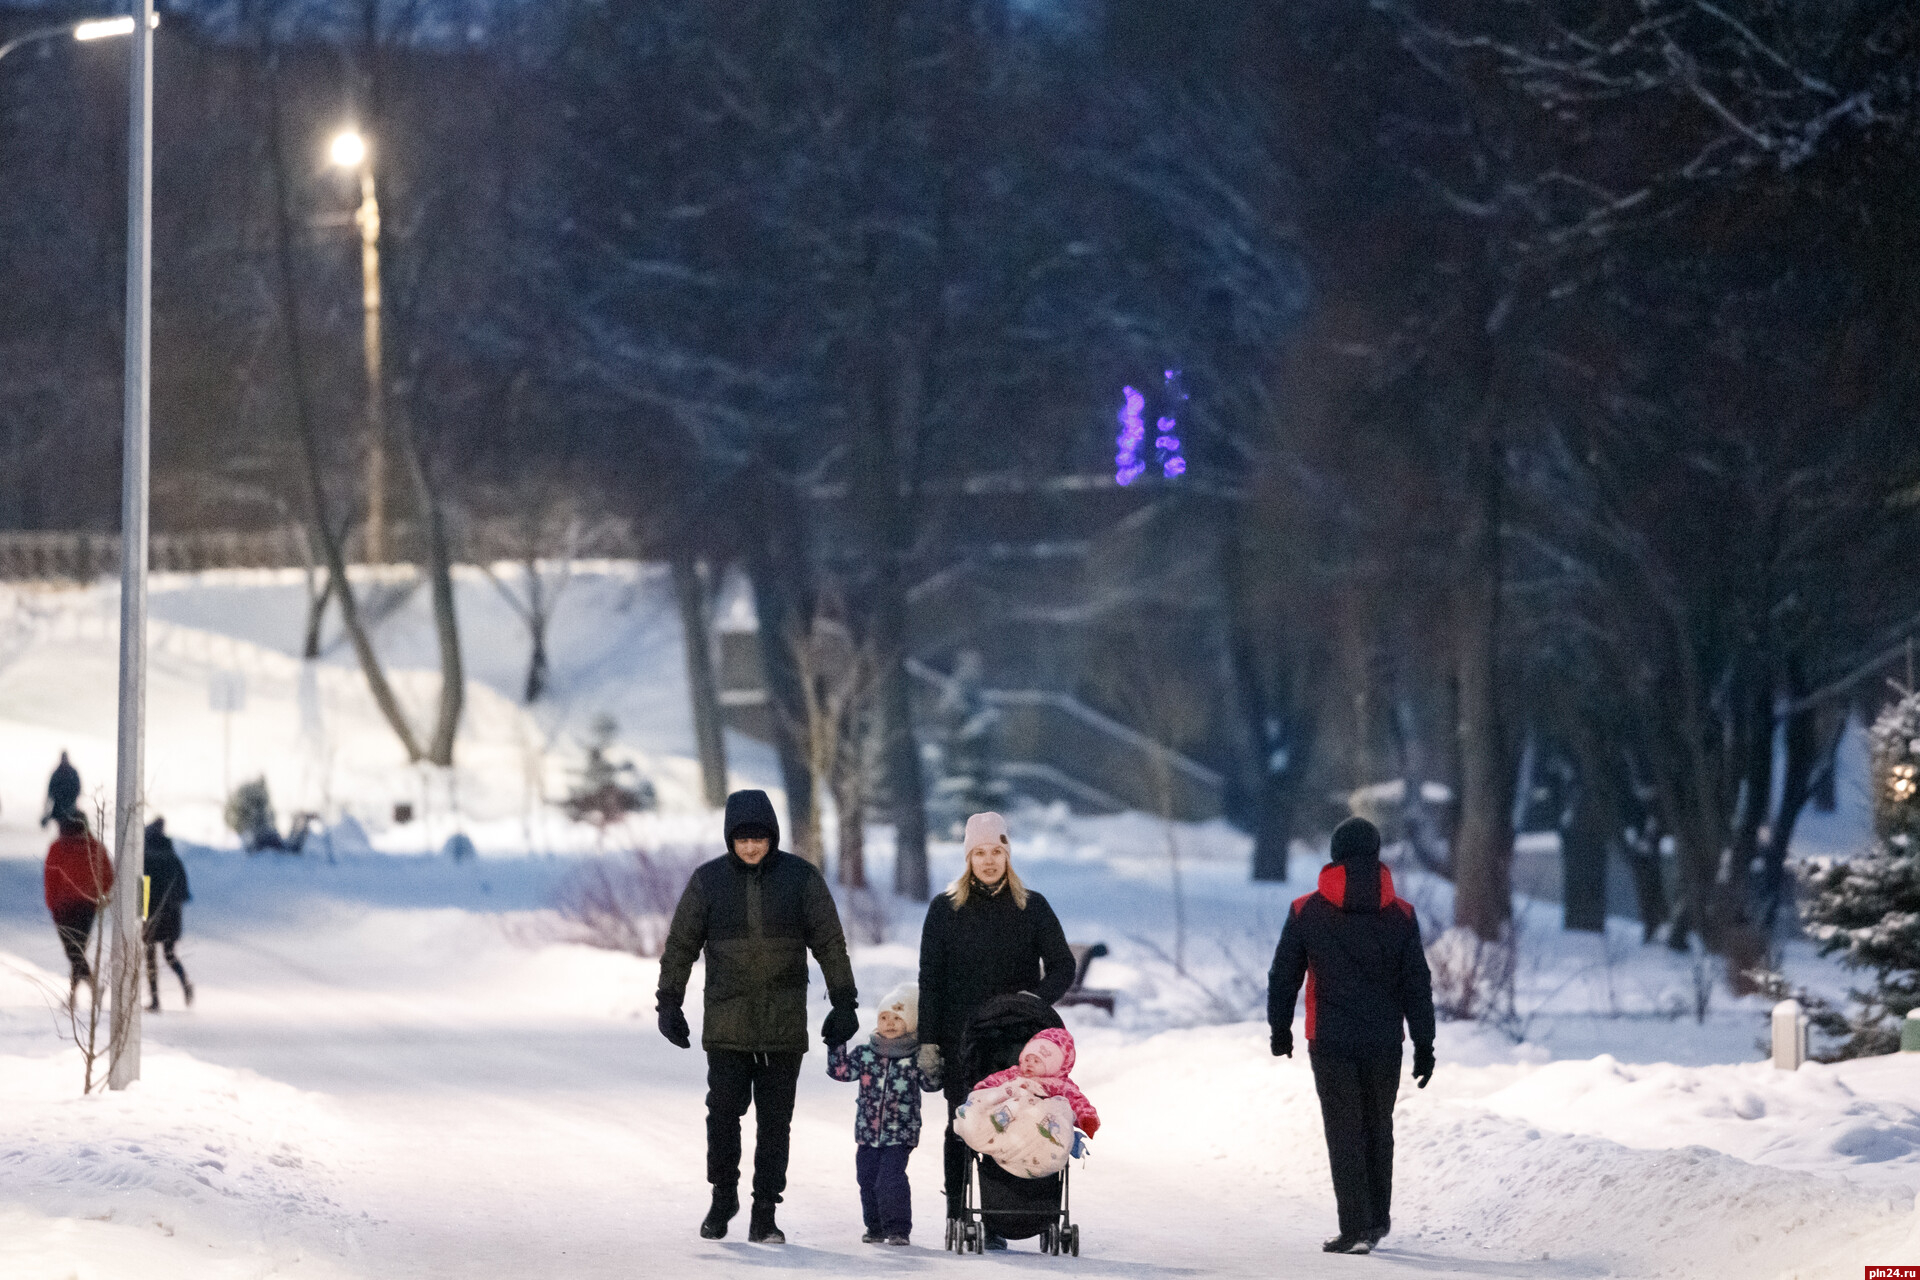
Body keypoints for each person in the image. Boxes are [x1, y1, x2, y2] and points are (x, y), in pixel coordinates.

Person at [657, 789, 860, 1245]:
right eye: (742, 839)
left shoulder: (801, 879)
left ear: (773, 836)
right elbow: (681, 946)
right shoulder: (707, 882)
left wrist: (844, 1001)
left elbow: (829, 943)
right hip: (728, 1024)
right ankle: (723, 1194)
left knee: (775, 1123)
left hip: (783, 1024)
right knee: (723, 1114)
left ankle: (765, 1211)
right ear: (730, 838)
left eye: (759, 839)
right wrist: (668, 1001)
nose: (750, 847)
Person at [1268, 816, 1436, 1256]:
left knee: (1343, 1131)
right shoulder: (1402, 916)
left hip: (1330, 1040)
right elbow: (1416, 983)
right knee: (1379, 1127)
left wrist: (1279, 1027)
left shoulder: (1306, 910)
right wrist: (1425, 1044)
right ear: (1377, 855)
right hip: (1385, 1042)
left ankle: (1355, 1227)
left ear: (1335, 854)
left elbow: (1284, 975)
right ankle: (1377, 1219)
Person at [917, 811, 1075, 1247]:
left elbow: (1063, 965)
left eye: (996, 852)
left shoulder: (1032, 906)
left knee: (1017, 1124)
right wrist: (928, 1041)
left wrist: (1035, 1000)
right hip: (960, 1038)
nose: (988, 861)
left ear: (1008, 854)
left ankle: (1010, 1214)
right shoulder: (945, 910)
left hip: (1016, 1042)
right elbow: (930, 980)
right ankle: (957, 1210)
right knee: (961, 1123)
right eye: (979, 853)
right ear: (968, 857)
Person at [825, 983, 943, 1246]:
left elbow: (931, 1085)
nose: (889, 1023)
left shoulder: (913, 1056)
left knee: (890, 1178)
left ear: (911, 1023)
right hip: (867, 1132)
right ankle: (875, 1226)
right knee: (866, 1178)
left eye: (897, 1018)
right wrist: (836, 1043)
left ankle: (898, 1228)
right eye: (884, 1018)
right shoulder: (866, 1053)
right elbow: (841, 1072)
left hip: (900, 1131)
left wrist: (932, 1061)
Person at [43, 812, 113, 1010]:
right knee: (77, 951)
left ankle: (84, 992)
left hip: (64, 907)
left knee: (74, 952)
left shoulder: (58, 847)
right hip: (86, 906)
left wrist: (52, 905)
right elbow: (108, 875)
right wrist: (101, 896)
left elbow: (50, 880)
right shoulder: (95, 847)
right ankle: (82, 993)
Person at [142, 818, 193, 1012]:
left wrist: (140, 914)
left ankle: (155, 1001)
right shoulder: (173, 858)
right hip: (171, 915)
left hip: (151, 914)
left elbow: (141, 888)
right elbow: (184, 891)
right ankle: (185, 983)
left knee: (150, 956)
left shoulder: (145, 859)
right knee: (170, 955)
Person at [43, 751, 80, 828]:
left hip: (70, 804)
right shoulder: (57, 773)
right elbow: (51, 789)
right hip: (58, 804)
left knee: (70, 823)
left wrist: (72, 798)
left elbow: (77, 788)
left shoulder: (72, 772)